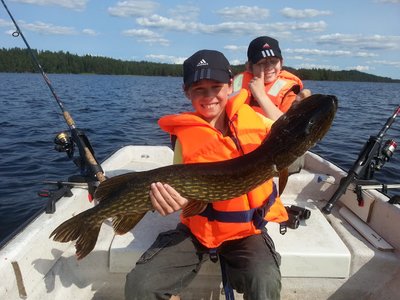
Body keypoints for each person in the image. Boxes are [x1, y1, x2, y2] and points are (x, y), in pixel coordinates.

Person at [125, 49, 288, 300]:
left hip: (246, 231)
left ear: (230, 85)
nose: (209, 96)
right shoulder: (184, 137)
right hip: (197, 231)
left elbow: (289, 137)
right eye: (199, 89)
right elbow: (184, 189)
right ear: (186, 91)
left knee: (264, 281)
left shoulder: (258, 122)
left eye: (216, 86)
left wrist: (267, 97)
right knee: (141, 285)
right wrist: (176, 202)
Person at [233, 36, 311, 121]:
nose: (269, 67)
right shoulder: (235, 84)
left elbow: (288, 127)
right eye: (261, 63)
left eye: (274, 61)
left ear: (281, 63)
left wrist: (261, 95)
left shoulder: (289, 93)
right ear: (249, 67)